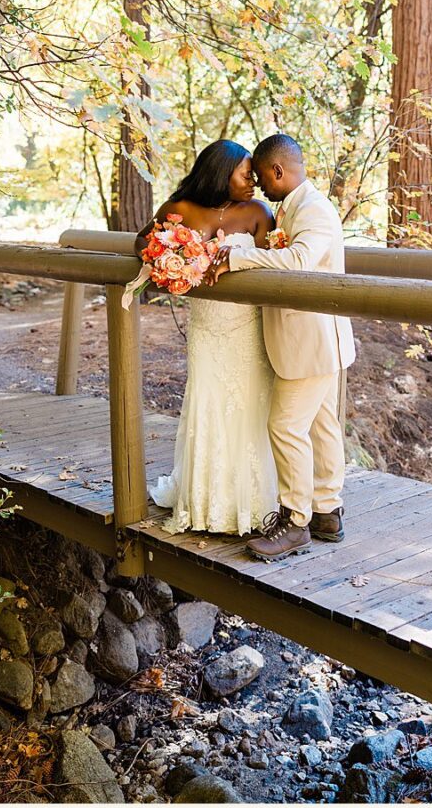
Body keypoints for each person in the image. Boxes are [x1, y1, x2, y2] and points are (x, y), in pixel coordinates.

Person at [211, 133, 358, 561]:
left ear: (278, 170)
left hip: (310, 338)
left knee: (286, 426)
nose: (257, 183)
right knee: (321, 426)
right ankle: (327, 513)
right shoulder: (293, 206)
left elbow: (298, 263)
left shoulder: (314, 211)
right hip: (310, 337)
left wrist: (240, 259)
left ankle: (295, 522)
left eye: (260, 175)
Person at [137, 140, 280, 535]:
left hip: (247, 326)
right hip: (206, 327)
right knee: (208, 402)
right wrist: (173, 267)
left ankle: (252, 502)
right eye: (245, 174)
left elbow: (276, 261)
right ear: (221, 172)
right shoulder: (178, 211)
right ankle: (205, 502)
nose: (253, 181)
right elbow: (143, 245)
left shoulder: (257, 212)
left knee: (250, 407)